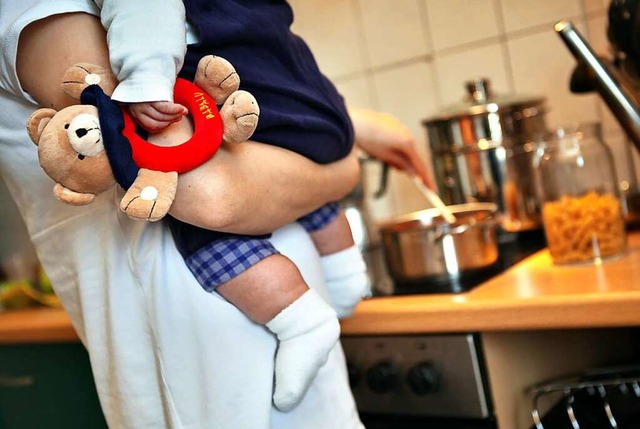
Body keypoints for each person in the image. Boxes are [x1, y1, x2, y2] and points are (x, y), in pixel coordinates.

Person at [1, 3, 430, 429]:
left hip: (254, 341)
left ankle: (335, 284)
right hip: (214, 364)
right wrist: (344, 164)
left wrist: (348, 129)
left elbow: (196, 139)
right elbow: (205, 191)